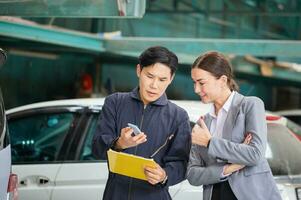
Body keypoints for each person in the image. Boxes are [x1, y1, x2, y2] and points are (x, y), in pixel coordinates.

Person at [92, 46, 191, 200]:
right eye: (149, 76)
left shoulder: (178, 116)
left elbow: (182, 163)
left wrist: (164, 175)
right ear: (139, 70)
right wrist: (119, 143)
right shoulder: (115, 103)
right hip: (115, 195)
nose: (154, 85)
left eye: (162, 79)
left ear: (171, 79)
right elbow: (97, 148)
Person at [186, 51, 281, 200]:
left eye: (201, 83)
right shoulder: (203, 122)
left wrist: (210, 142)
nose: (196, 89)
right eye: (194, 82)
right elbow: (192, 175)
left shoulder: (250, 105)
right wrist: (229, 168)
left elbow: (255, 154)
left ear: (223, 80)